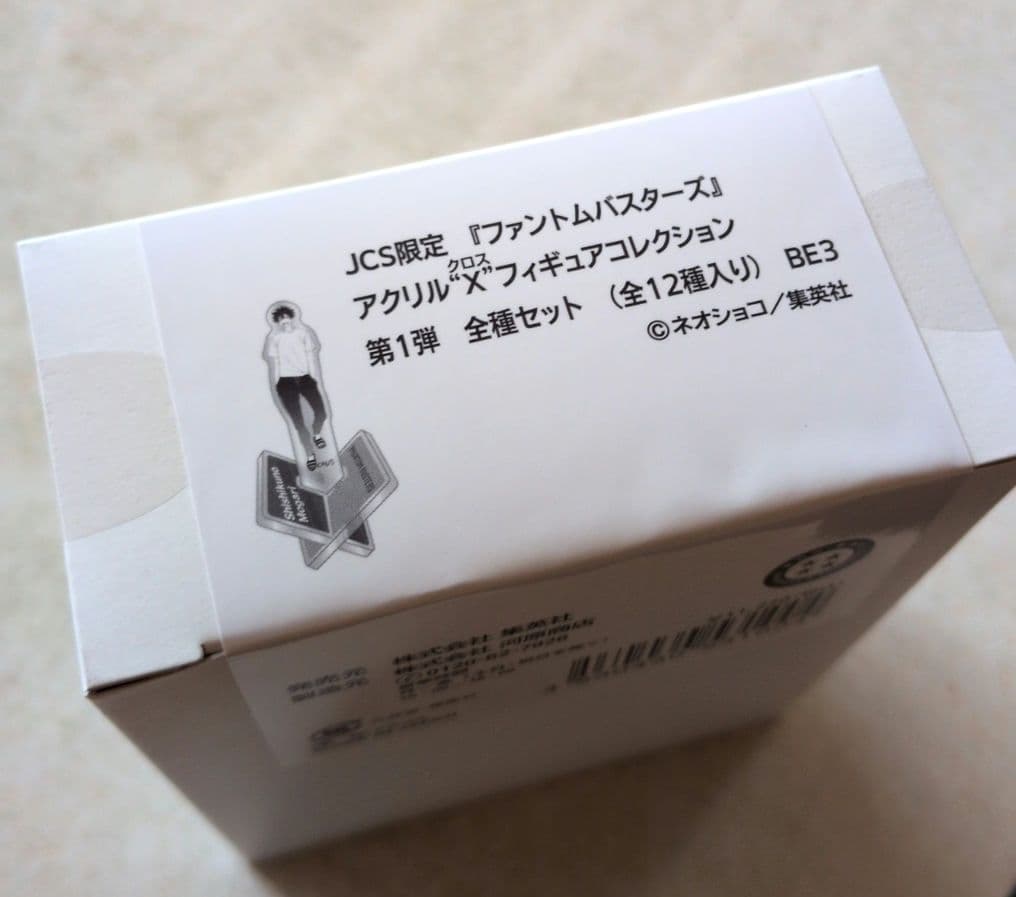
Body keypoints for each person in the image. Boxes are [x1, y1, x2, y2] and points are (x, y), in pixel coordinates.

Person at [263, 303, 329, 471]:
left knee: (321, 412)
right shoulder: (274, 338)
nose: (285, 322)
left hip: (305, 378)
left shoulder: (303, 333)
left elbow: (311, 354)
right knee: (298, 422)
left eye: (287, 319)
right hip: (285, 383)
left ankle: (316, 434)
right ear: (277, 322)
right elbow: (273, 361)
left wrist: (314, 376)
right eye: (281, 320)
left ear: (292, 318)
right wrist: (276, 383)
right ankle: (310, 455)